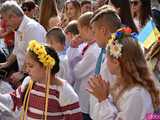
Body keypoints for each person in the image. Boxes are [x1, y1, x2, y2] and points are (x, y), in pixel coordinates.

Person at [87, 28, 159, 120]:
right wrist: (105, 97)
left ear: (116, 62)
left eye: (107, 58)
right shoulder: (121, 84)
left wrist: (103, 100)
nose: (106, 62)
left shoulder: (136, 94)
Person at [0, 40, 83, 120]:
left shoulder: (64, 91)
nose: (27, 70)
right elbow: (12, 100)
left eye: (31, 66)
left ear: (46, 67)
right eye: (26, 65)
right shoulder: (28, 82)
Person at [0, 1, 46, 87]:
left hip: (37, 78)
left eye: (5, 20)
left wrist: (22, 73)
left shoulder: (31, 28)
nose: (5, 24)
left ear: (12, 16)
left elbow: (36, 56)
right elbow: (16, 50)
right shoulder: (18, 27)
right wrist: (7, 63)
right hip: (28, 75)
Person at [89, 5, 123, 119]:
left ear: (103, 30)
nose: (93, 37)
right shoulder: (106, 51)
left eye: (94, 32)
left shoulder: (118, 56)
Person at [73, 12, 100, 120]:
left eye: (80, 31)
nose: (79, 35)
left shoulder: (93, 51)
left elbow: (77, 72)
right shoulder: (90, 46)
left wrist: (74, 61)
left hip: (85, 100)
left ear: (87, 29)